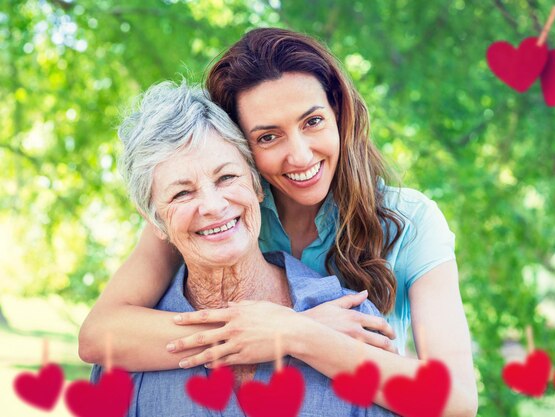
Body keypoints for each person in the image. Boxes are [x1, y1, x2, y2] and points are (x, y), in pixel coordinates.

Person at [79, 28, 477, 416]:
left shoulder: (411, 221)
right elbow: (101, 335)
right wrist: (258, 335)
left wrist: (295, 333)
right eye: (268, 137)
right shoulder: (223, 212)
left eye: (313, 122)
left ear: (337, 112)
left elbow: (456, 399)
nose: (301, 156)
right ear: (242, 147)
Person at [92, 80, 396, 416]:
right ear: (155, 219)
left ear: (256, 185)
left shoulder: (350, 322)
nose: (212, 205)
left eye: (226, 178)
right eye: (182, 193)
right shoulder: (122, 355)